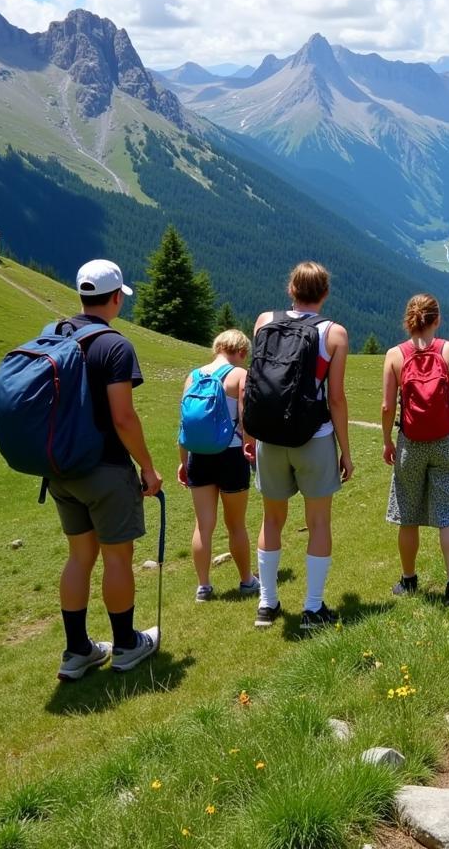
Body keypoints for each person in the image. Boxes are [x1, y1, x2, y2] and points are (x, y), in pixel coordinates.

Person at [49, 260, 163, 680]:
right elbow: (123, 419)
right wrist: (148, 467)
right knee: (118, 557)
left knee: (80, 556)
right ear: (116, 298)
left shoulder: (58, 335)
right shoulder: (114, 345)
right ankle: (127, 645)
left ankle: (77, 650)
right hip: (105, 469)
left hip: (60, 469)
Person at [243, 262, 353, 630]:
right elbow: (335, 398)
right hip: (314, 436)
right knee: (318, 521)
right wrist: (346, 452)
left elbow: (256, 382)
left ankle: (267, 603)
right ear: (324, 293)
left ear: (291, 289)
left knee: (272, 519)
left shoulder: (263, 322)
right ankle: (312, 608)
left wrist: (249, 434)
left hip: (269, 437)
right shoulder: (334, 333)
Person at [381, 294, 449, 607]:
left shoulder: (395, 355)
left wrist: (387, 440)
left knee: (408, 514)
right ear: (436, 319)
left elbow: (388, 405)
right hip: (447, 440)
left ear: (408, 320)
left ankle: (408, 580)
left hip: (410, 442)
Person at [177, 329, 260, 602]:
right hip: (231, 454)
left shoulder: (193, 376)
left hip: (198, 455)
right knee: (236, 524)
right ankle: (247, 580)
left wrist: (183, 462)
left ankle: (203, 586)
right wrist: (252, 449)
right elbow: (246, 419)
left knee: (203, 525)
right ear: (241, 351)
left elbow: (185, 425)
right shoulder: (239, 376)